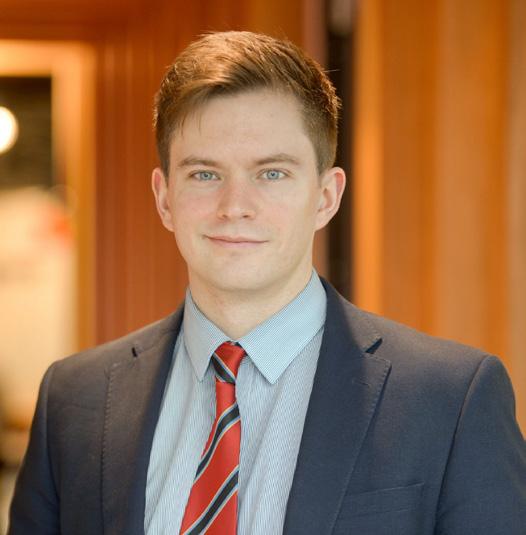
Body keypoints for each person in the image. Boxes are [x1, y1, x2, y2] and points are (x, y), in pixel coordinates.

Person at [8, 31, 526, 535]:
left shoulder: (451, 402)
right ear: (164, 198)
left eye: (272, 173)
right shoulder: (74, 401)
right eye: (205, 174)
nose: (235, 206)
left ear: (326, 196)